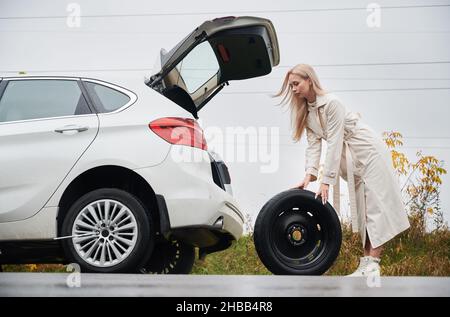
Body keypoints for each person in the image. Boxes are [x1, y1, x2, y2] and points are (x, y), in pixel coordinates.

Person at [275, 64, 410, 276]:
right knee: (364, 210)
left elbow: (335, 141)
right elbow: (314, 146)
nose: (293, 89)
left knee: (376, 206)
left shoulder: (332, 103)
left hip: (368, 151)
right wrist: (309, 177)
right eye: (290, 85)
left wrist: (326, 180)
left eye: (296, 83)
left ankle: (373, 264)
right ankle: (366, 265)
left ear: (309, 80)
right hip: (351, 160)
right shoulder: (307, 113)